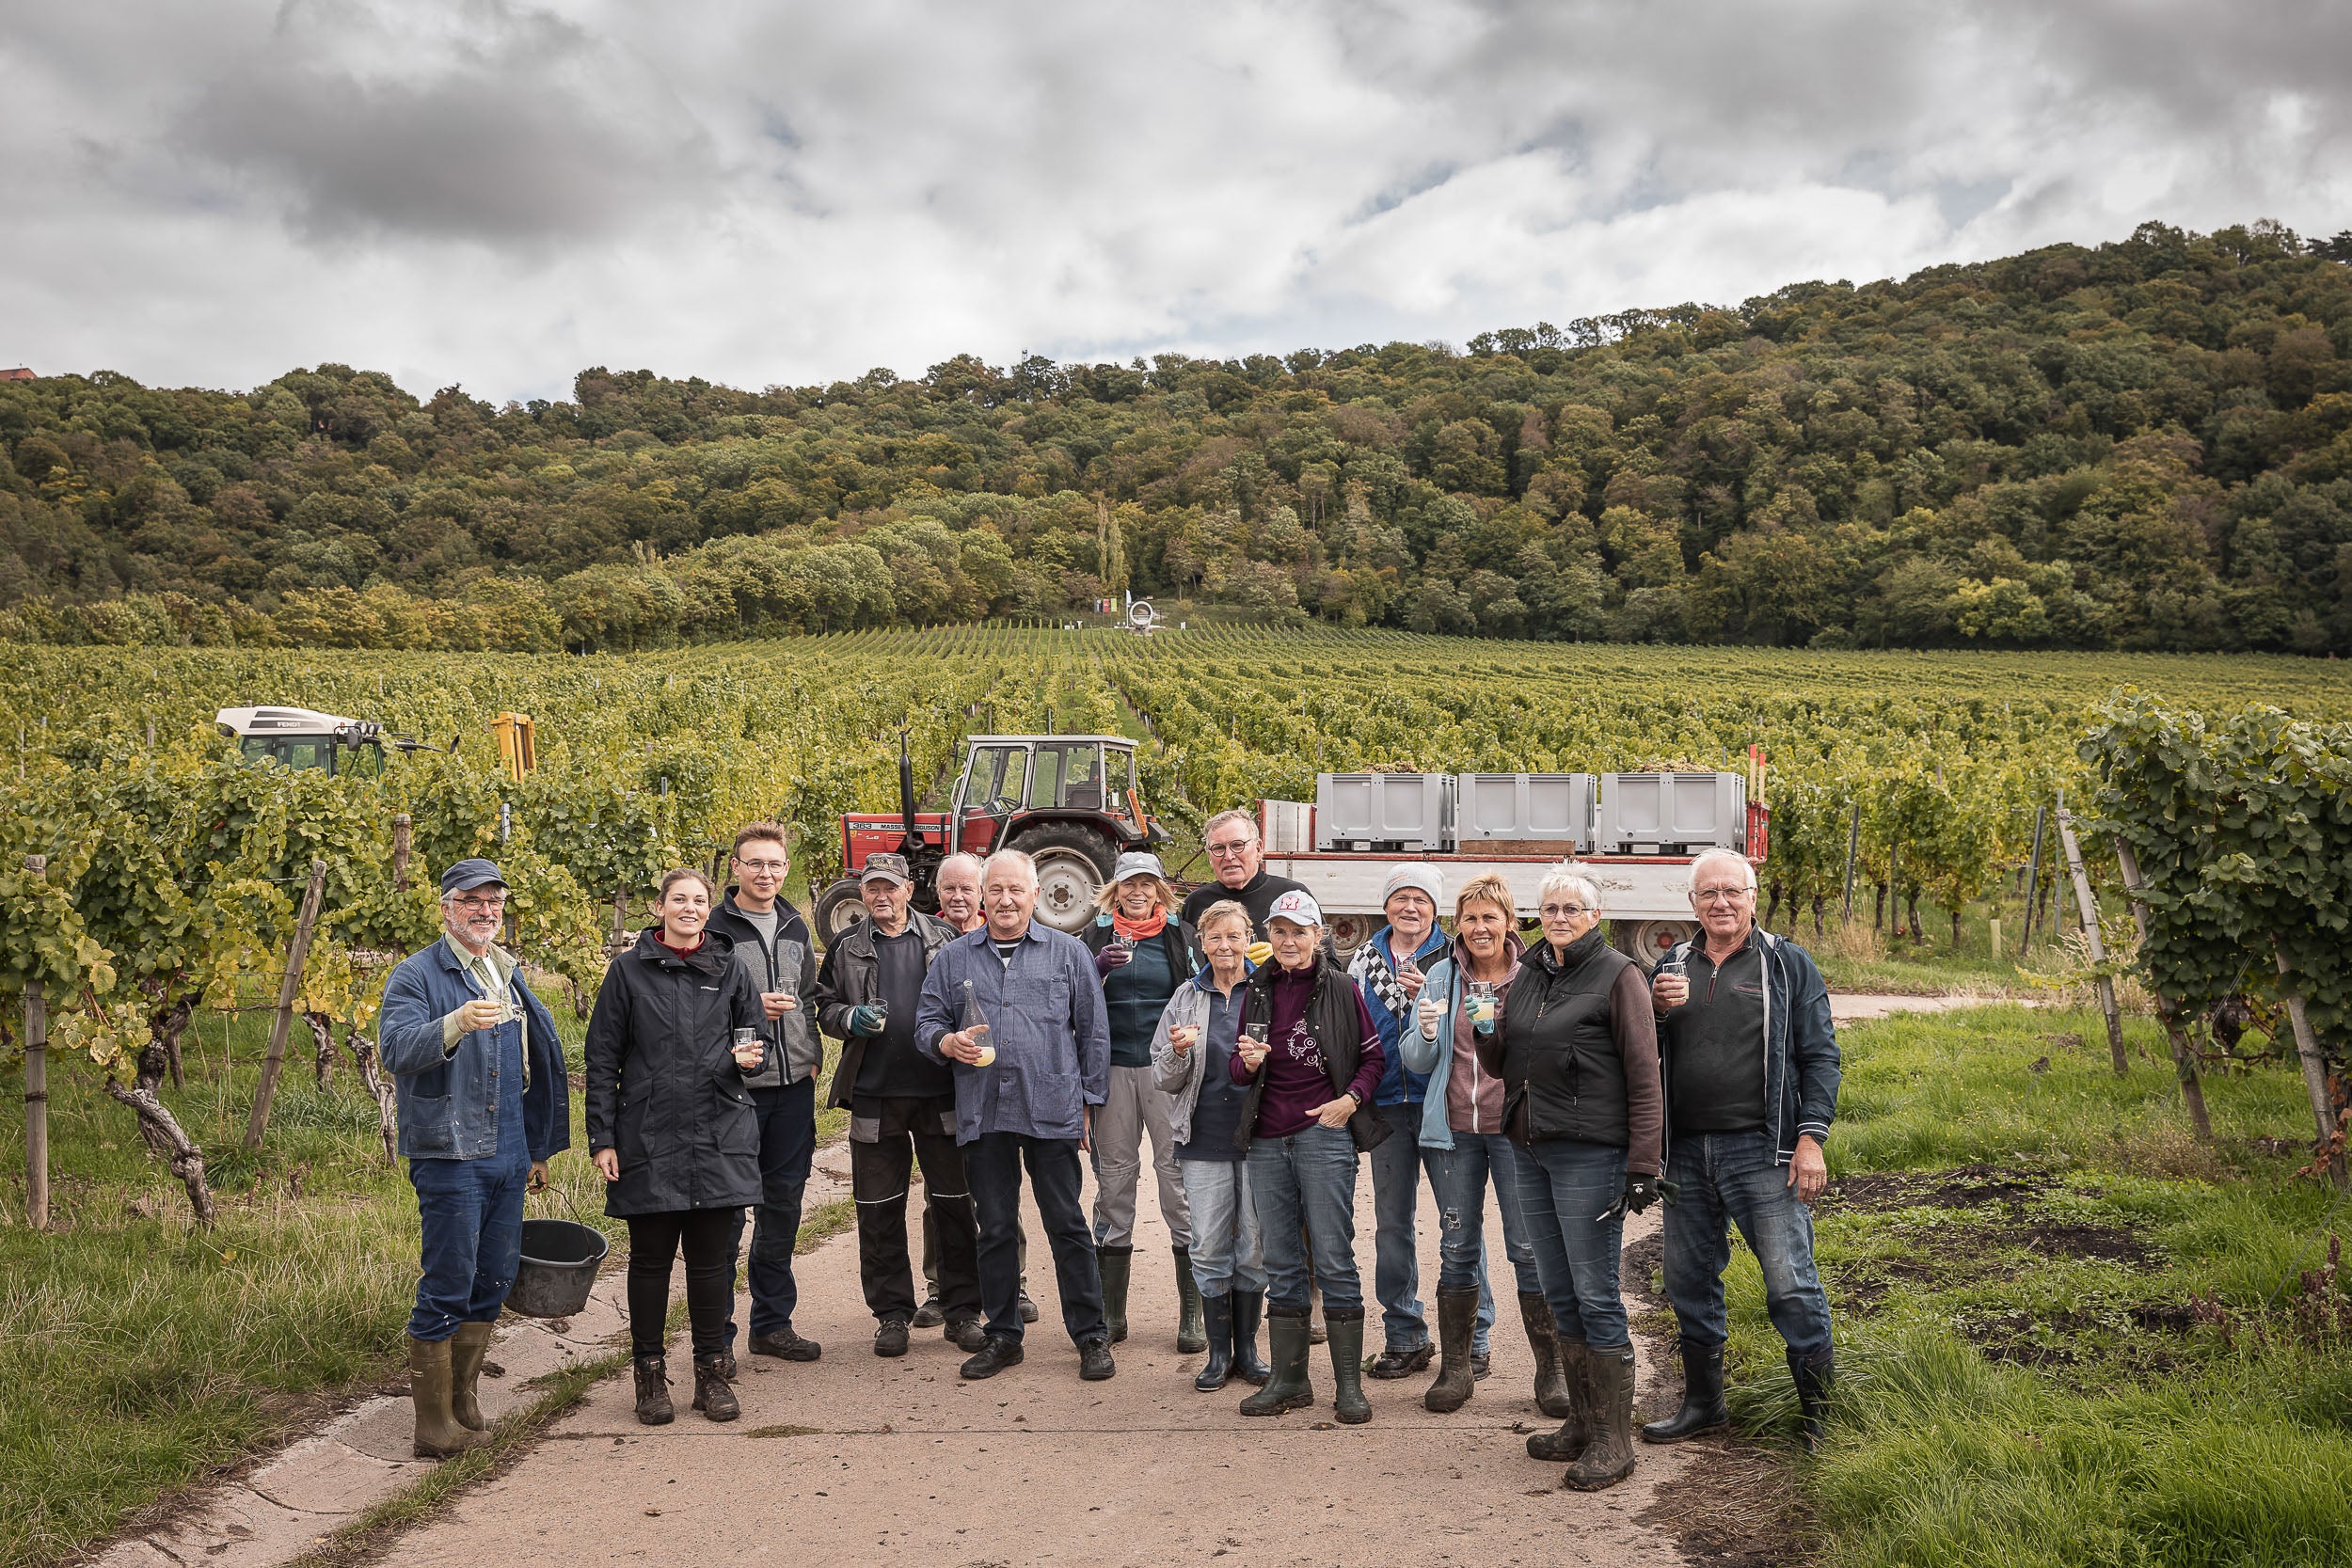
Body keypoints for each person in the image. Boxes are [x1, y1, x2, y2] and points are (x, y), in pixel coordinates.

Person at [1642, 847, 1839, 1451]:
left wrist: (1810, 1139)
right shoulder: (1670, 964)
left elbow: (1820, 1055)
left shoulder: (1787, 964)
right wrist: (1653, 1011)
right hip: (1686, 1154)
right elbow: (1639, 1053)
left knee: (1789, 1282)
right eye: (1708, 894)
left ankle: (1820, 1417)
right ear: (1692, 904)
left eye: (1732, 892)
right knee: (1688, 1280)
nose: (1721, 903)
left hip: (1765, 1151)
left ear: (1754, 897)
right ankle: (1705, 1404)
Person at [378, 858, 570, 1458]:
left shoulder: (504, 970)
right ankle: (431, 1422)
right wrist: (456, 1023)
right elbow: (396, 1049)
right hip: (452, 1151)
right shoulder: (417, 976)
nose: (486, 911)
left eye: (494, 902)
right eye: (472, 901)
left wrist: (536, 1149)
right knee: (449, 1280)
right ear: (446, 907)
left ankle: (463, 1395)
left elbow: (529, 1066)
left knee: (494, 1276)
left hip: (509, 1150)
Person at [1477, 866, 1661, 1491]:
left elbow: (1644, 1075)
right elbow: (1502, 1059)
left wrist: (1643, 1164)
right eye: (1549, 907)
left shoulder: (1619, 975)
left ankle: (1615, 1440)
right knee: (1559, 1291)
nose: (1558, 916)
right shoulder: (1530, 972)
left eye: (1570, 907)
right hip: (1530, 1147)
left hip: (1590, 1155)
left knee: (1594, 1292)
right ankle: (1582, 1425)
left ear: (1593, 914)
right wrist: (1483, 1026)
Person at [917, 849, 1117, 1382]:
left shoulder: (1069, 954)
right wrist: (946, 1041)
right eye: (996, 890)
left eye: (1016, 891)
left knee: (1067, 1224)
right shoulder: (953, 958)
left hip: (1051, 1107)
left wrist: (1090, 1104)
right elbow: (926, 1022)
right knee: (997, 1228)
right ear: (982, 895)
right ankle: (1004, 1335)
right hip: (984, 1110)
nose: (1006, 900)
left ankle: (1091, 1335)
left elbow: (1094, 1034)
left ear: (1035, 895)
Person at [584, 868, 768, 1426]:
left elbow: (752, 1035)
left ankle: (712, 1375)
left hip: (718, 1134)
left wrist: (748, 1059)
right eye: (679, 899)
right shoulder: (628, 972)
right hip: (649, 1136)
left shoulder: (730, 968)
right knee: (650, 1263)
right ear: (660, 906)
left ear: (709, 910)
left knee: (713, 1265)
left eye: (699, 900)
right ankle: (649, 1377)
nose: (690, 908)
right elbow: (602, 1058)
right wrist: (603, 1138)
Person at [1401, 874, 1561, 1417]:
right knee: (1457, 1245)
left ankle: (1551, 1371)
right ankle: (1457, 1369)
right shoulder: (1442, 977)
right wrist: (1423, 1031)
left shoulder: (1533, 977)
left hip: (1517, 1132)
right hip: (1453, 1133)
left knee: (1528, 1247)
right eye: (1470, 918)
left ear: (1509, 923)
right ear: (1458, 925)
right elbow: (1417, 1064)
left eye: (1490, 917)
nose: (1479, 928)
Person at [1229, 889, 1389, 1424]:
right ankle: (1289, 1380)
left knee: (1333, 1254)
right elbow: (1236, 1069)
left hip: (1324, 1133)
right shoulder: (1256, 990)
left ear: (1318, 936)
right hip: (1268, 1138)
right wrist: (1248, 1064)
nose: (1289, 941)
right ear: (1268, 937)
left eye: (1299, 931)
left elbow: (1372, 1059)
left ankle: (1348, 1386)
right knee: (1280, 1258)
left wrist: (1348, 1102)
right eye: (1279, 931)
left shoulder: (1341, 988)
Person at [814, 852, 984, 1356]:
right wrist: (848, 1017)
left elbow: (975, 999)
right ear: (862, 894)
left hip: (941, 1091)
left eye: (890, 886)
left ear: (910, 890)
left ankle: (961, 1312)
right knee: (878, 1209)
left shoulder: (945, 939)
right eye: (872, 888)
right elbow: (821, 1005)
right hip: (874, 1093)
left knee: (954, 1205)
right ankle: (891, 1314)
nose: (881, 896)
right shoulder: (846, 946)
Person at [705, 823, 823, 1366]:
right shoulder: (712, 929)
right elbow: (693, 1011)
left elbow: (809, 998)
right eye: (754, 864)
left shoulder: (797, 926)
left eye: (775, 865)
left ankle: (771, 1324)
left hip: (792, 1087)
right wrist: (751, 1010)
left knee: (783, 1208)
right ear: (735, 868)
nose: (766, 874)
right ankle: (717, 1340)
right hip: (733, 1093)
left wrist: (813, 1051)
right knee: (727, 1214)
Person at [1149, 899, 1271, 1392]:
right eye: (1215, 937)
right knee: (1208, 1244)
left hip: (1260, 1134)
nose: (1225, 946)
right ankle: (1219, 1352)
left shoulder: (1266, 990)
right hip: (1202, 1136)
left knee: (1255, 1246)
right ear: (1201, 943)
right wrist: (1178, 1052)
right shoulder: (1185, 996)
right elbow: (1163, 1076)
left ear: (1248, 938)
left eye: (1234, 936)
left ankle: (1248, 1349)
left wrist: (1266, 1061)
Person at [1081, 850, 1201, 1351]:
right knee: (1114, 1179)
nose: (1137, 892)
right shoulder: (1092, 936)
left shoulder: (1180, 936)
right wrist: (1097, 968)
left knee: (1178, 1179)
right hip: (1111, 1070)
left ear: (1159, 890)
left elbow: (1201, 991)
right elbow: (1073, 998)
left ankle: (1193, 1316)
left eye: (1147, 884)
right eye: (1129, 884)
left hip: (1164, 1070)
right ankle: (1111, 1315)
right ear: (1114, 890)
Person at [915, 852, 1038, 1329]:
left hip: (995, 1085)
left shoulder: (1009, 934)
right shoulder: (927, 940)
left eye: (968, 887)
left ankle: (1014, 1280)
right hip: (941, 1083)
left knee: (999, 1188)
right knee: (942, 1192)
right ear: (937, 893)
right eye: (950, 888)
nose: (959, 896)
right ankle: (940, 1286)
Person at [1346, 865, 1455, 1381]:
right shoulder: (1363, 958)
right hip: (1386, 1104)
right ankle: (1404, 1333)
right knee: (1392, 1226)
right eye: (1400, 898)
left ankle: (1469, 1339)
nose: (1409, 908)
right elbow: (1352, 1027)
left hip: (1441, 1104)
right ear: (1386, 905)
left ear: (1436, 908)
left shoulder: (1452, 956)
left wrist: (1423, 1004)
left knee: (1459, 1223)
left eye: (1420, 899)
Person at [1179, 808, 1306, 939]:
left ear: (1258, 848)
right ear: (1210, 857)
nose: (1228, 856)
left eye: (1237, 845)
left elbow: (1325, 957)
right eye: (1218, 848)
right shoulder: (1195, 904)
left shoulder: (1292, 896)